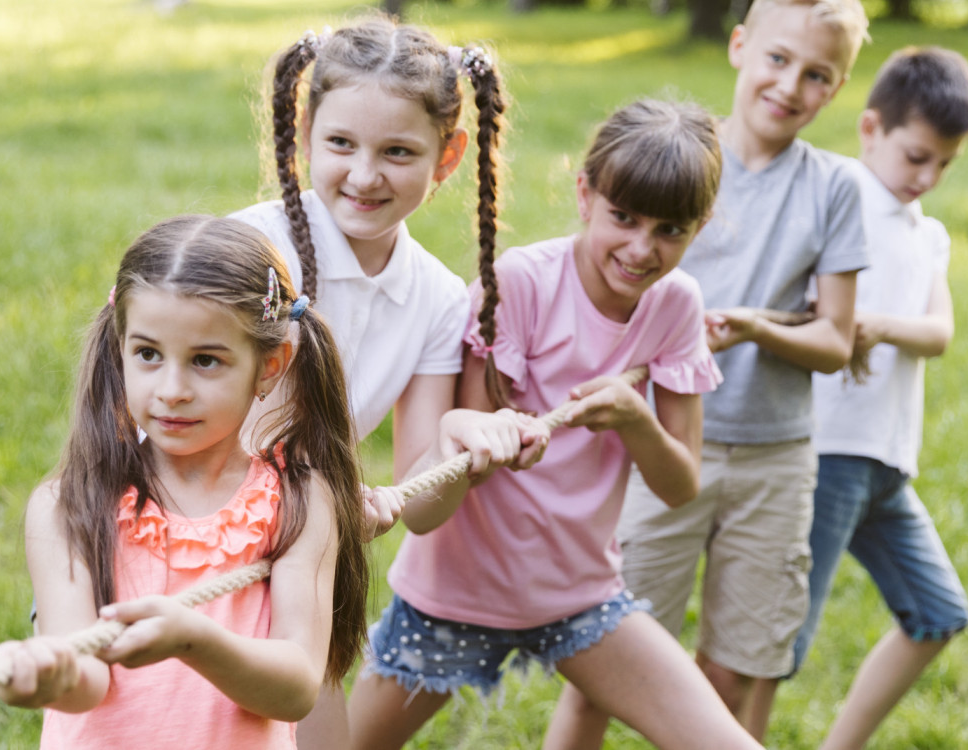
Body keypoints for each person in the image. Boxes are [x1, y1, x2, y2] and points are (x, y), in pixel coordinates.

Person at [345, 99, 764, 750]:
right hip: (454, 593)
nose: (640, 248)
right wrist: (503, 437)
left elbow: (681, 483)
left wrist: (634, 419)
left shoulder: (677, 305)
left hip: (580, 596)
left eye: (670, 231)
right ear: (585, 195)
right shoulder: (520, 283)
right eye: (623, 217)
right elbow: (460, 467)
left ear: (700, 227)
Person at [550, 0, 871, 743]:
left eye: (818, 75)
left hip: (773, 459)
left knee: (734, 672)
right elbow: (604, 287)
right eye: (779, 59)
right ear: (738, 46)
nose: (791, 86)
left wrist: (754, 325)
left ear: (839, 86)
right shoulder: (679, 162)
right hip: (656, 445)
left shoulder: (835, 188)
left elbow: (834, 339)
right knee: (601, 665)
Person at [228, 18, 545, 747]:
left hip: (300, 564)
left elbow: (421, 503)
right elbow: (195, 423)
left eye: (398, 152)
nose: (365, 175)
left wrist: (462, 443)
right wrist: (330, 496)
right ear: (306, 132)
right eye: (341, 144)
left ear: (448, 155)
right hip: (181, 539)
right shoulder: (251, 250)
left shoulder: (435, 298)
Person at [0, 215, 368, 749]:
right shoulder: (69, 503)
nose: (172, 389)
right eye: (147, 354)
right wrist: (50, 673)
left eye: (206, 361)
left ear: (270, 366)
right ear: (119, 348)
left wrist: (194, 641)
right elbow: (87, 679)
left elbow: (298, 685)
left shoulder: (298, 502)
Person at [789, 46, 968, 750]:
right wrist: (841, 325)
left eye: (943, 165)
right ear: (871, 128)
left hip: (887, 464)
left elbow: (939, 332)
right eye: (916, 156)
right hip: (831, 452)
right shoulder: (837, 197)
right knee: (777, 649)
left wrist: (871, 326)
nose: (926, 177)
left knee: (938, 612)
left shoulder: (928, 234)